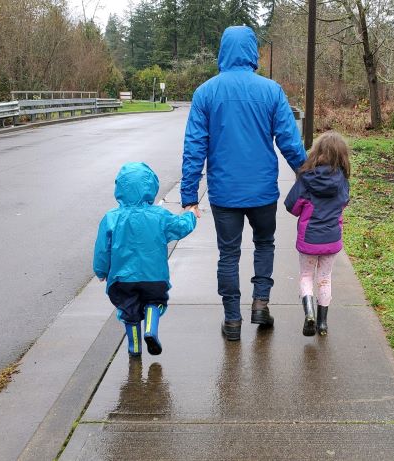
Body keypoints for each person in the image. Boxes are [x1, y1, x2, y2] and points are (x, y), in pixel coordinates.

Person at [180, 25, 306, 341]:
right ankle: (261, 303)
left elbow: (194, 147)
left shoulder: (205, 93)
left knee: (228, 253)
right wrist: (307, 175)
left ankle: (232, 319)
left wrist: (189, 196)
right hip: (262, 190)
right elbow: (289, 141)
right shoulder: (271, 91)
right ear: (251, 52)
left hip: (224, 193)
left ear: (223, 50)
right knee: (264, 243)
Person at [94, 162, 197, 357]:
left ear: (120, 187)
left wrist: (101, 271)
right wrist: (190, 215)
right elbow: (180, 226)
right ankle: (150, 329)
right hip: (154, 276)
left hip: (123, 278)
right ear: (151, 186)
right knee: (156, 301)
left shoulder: (111, 218)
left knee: (129, 312)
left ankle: (134, 347)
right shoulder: (159, 215)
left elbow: (102, 249)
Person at [283, 132, 350, 336]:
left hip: (309, 239)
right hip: (331, 238)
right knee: (325, 278)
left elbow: (292, 206)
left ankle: (309, 313)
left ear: (316, 152)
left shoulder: (306, 179)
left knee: (306, 276)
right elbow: (343, 204)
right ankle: (322, 324)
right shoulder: (342, 181)